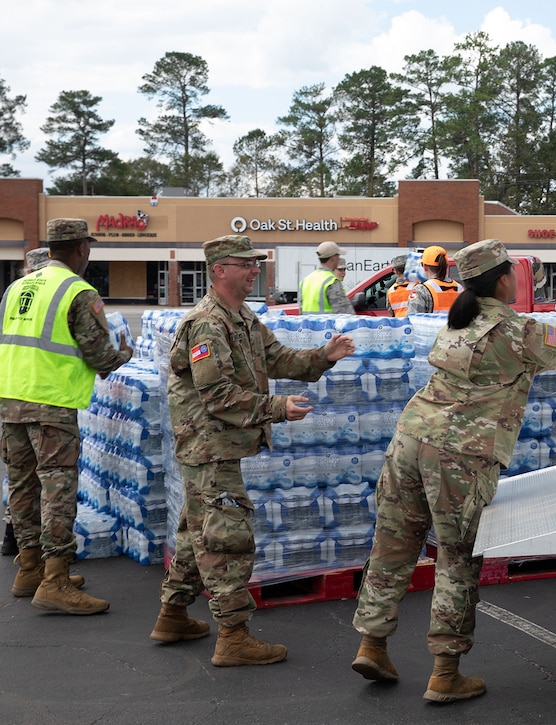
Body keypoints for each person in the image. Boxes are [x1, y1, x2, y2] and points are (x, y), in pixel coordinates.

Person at [349, 239, 556, 703]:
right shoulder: (519, 330)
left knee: (393, 542)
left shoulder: (456, 322)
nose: (520, 279)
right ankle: (445, 673)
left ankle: (372, 644)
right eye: (514, 272)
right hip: (460, 453)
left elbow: (525, 357)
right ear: (501, 279)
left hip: (410, 439)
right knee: (456, 556)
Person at [150, 234, 355, 666]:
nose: (254, 269)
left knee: (196, 530)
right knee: (227, 538)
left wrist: (324, 355)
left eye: (255, 263)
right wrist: (277, 408)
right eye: (246, 263)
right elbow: (218, 396)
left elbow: (277, 358)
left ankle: (172, 614)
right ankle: (234, 636)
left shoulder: (241, 316)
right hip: (209, 446)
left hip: (217, 446)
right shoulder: (207, 323)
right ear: (221, 269)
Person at [0, 218, 132, 613]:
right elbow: (101, 357)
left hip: (9, 401)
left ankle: (29, 569)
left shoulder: (16, 287)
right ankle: (55, 581)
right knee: (57, 490)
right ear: (81, 249)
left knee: (22, 486)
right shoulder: (77, 291)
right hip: (50, 404)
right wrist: (123, 353)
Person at [2, 248, 54, 557]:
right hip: (43, 399)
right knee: (49, 479)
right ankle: (46, 559)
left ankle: (16, 542)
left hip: (11, 397)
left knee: (19, 475)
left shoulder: (12, 293)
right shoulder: (55, 294)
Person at [299, 240, 352, 314]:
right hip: (328, 325)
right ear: (333, 258)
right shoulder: (332, 281)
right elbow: (344, 313)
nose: (339, 259)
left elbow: (301, 310)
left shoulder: (305, 281)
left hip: (308, 325)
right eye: (338, 256)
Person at [406, 245, 462, 314]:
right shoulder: (459, 289)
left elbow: (413, 320)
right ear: (446, 266)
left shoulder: (421, 290)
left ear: (425, 267)